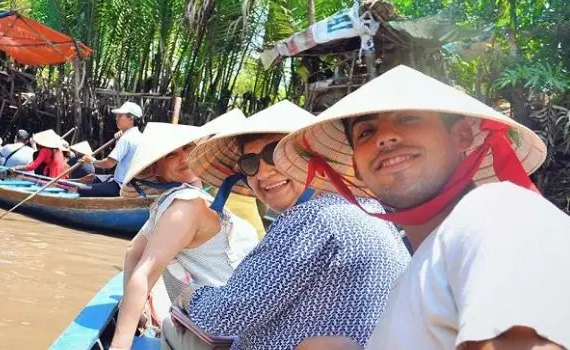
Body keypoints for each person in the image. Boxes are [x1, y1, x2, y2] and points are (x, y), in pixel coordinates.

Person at [276, 65, 570, 350]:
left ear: (462, 136)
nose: (385, 137)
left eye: (408, 119)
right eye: (366, 132)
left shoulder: (496, 212)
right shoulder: (413, 276)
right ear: (357, 168)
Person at [159, 101, 409, 350]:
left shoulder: (312, 218)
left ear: (312, 160)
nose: (263, 173)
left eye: (274, 155)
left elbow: (223, 317)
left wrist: (188, 295)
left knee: (169, 326)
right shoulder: (371, 209)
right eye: (250, 164)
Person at [110, 122, 259, 350]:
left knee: (170, 321)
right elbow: (142, 269)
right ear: (155, 169)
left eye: (188, 148)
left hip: (231, 331)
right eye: (171, 154)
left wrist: (132, 309)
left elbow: (133, 254)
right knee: (170, 320)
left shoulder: (183, 202)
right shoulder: (184, 204)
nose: (184, 158)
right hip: (233, 329)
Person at [199, 109, 267, 239]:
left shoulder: (208, 167)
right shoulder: (253, 167)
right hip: (252, 231)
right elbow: (263, 210)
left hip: (219, 232)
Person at [80, 101, 143, 197]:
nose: (116, 119)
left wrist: (92, 161)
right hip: (128, 182)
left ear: (131, 118)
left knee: (79, 189)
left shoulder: (127, 138)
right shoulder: (139, 136)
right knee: (92, 179)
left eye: (120, 116)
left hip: (121, 186)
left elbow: (109, 164)